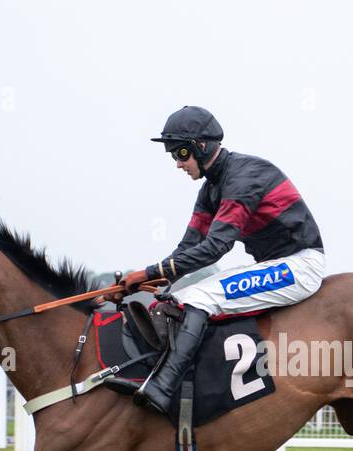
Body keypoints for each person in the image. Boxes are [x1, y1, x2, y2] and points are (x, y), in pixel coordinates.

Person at [117, 105, 326, 415]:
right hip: (273, 267)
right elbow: (187, 249)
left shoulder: (244, 177)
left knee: (200, 296)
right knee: (179, 296)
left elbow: (215, 247)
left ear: (201, 147)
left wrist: (147, 273)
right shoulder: (210, 190)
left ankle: (163, 388)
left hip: (299, 266)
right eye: (173, 156)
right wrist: (141, 283)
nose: (177, 164)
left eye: (180, 154)